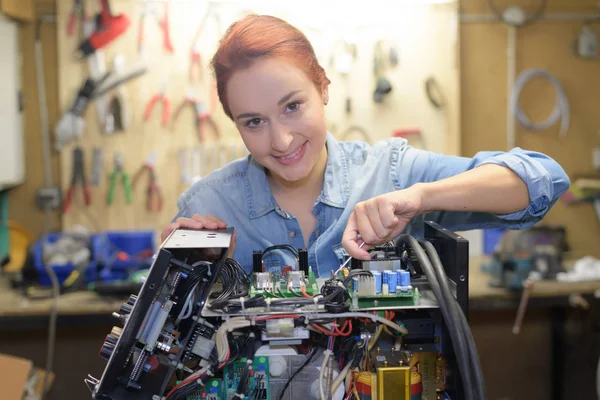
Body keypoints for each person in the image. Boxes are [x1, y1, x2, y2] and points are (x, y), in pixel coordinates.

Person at [162, 14, 569, 278]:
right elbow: (164, 356)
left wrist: (422, 196)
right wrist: (182, 271)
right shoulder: (209, 206)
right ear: (234, 122)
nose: (281, 141)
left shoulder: (390, 173)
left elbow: (542, 181)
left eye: (292, 106)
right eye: (253, 122)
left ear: (322, 85)